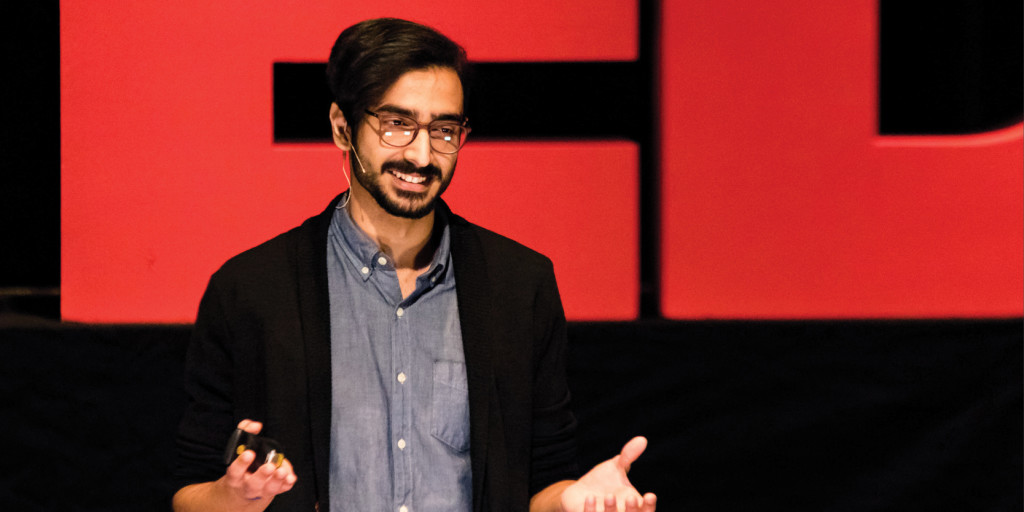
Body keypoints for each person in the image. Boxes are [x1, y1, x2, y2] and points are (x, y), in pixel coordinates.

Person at [172, 17, 657, 512]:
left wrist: (575, 500)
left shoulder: (519, 285)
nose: (422, 155)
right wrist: (236, 497)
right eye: (397, 125)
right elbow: (189, 490)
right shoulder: (251, 290)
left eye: (444, 130)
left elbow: (543, 482)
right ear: (343, 127)